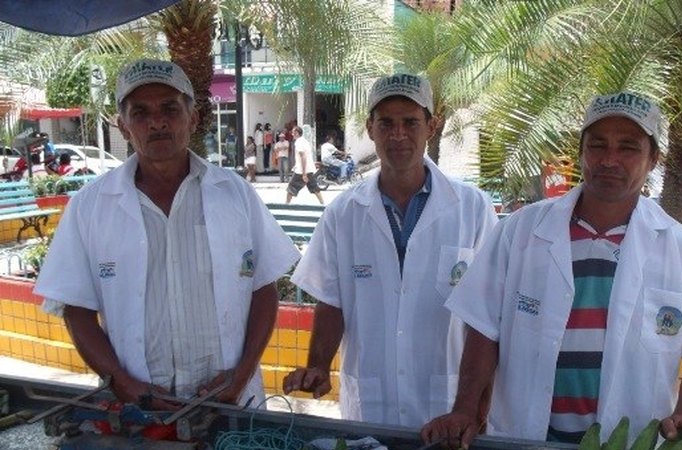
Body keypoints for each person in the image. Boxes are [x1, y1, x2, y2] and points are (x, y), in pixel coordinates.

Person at [421, 92, 682, 450]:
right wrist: (466, 408)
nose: (609, 160)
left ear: (653, 159)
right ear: (581, 151)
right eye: (597, 145)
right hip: (526, 442)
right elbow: (484, 326)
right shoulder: (520, 231)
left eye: (627, 148)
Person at [34, 58, 301, 409]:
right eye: (140, 112)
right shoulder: (89, 206)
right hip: (138, 409)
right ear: (123, 126)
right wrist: (122, 383)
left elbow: (263, 287)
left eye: (170, 109)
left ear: (192, 118)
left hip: (233, 402)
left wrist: (242, 374)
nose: (157, 121)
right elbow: (76, 309)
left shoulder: (236, 194)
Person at [283, 73, 498, 427]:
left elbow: (487, 317)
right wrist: (318, 366)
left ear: (431, 126)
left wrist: (472, 406)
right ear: (370, 128)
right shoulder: (343, 213)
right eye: (386, 123)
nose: (398, 135)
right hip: (370, 406)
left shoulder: (472, 209)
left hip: (447, 406)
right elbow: (331, 301)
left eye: (410, 122)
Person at [285, 125, 324, 205]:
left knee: (291, 188)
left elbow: (303, 156)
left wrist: (303, 174)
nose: (292, 134)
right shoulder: (305, 141)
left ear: (296, 133)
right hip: (308, 169)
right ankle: (323, 204)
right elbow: (307, 156)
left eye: (293, 132)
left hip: (301, 171)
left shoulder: (298, 142)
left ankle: (286, 205)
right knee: (314, 187)